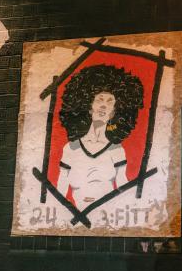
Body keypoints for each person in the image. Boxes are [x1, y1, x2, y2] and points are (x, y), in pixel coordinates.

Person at [55, 64, 144, 211]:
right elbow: (62, 184)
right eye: (99, 100)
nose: (103, 106)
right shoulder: (71, 148)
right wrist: (61, 211)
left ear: (114, 113)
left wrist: (133, 203)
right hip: (75, 215)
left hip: (107, 214)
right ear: (89, 107)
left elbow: (122, 184)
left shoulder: (116, 149)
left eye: (110, 102)